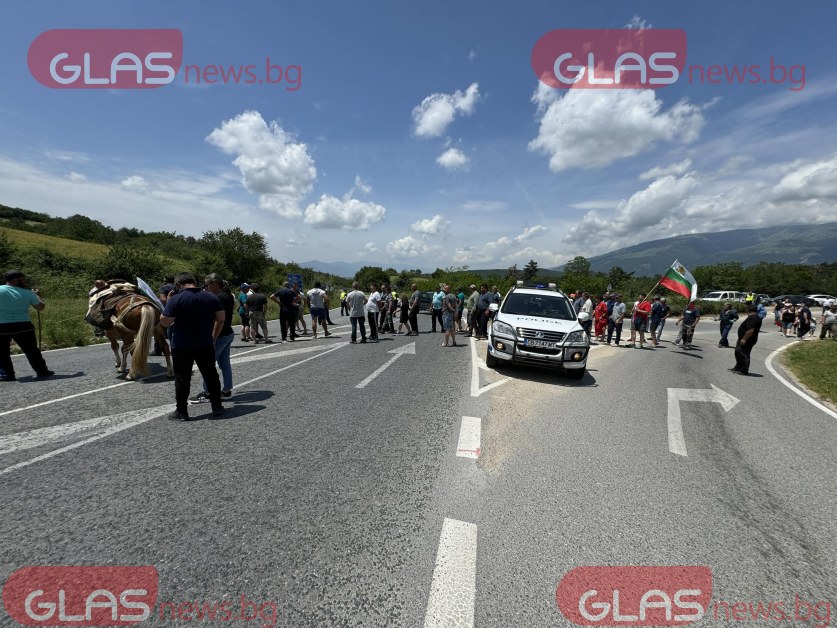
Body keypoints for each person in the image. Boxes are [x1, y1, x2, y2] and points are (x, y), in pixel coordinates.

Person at [160, 272, 224, 420]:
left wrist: (169, 302)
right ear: (195, 282)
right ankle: (217, 407)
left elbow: (165, 321)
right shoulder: (211, 297)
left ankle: (182, 411)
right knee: (211, 375)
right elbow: (221, 318)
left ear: (178, 284)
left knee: (182, 378)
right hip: (205, 342)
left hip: (182, 345)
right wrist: (213, 338)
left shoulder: (176, 299)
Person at [0, 269, 53, 381]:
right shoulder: (28, 293)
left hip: (2, 326)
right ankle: (42, 371)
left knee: (2, 353)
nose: (24, 281)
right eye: (22, 279)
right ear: (16, 279)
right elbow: (40, 307)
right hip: (23, 326)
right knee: (32, 350)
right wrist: (37, 295)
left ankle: (8, 375)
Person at [189, 274, 235, 404]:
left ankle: (208, 392)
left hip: (219, 335)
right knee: (225, 364)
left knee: (207, 365)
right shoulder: (228, 296)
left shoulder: (217, 298)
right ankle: (226, 390)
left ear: (214, 284)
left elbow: (217, 320)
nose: (206, 287)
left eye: (207, 285)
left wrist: (213, 339)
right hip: (228, 333)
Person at [731, 305, 762, 376]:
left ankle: (744, 370)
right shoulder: (752, 317)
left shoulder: (753, 318)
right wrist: (739, 338)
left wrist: (744, 339)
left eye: (746, 309)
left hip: (748, 340)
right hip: (744, 338)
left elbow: (751, 330)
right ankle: (738, 367)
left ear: (749, 310)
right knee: (738, 352)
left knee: (744, 354)